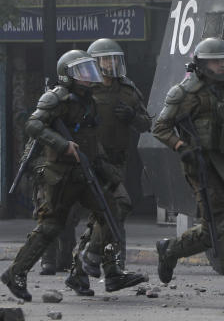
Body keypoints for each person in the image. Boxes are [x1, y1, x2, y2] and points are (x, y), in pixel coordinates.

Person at [1, 51, 147, 302]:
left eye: (89, 71)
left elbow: (90, 138)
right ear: (67, 75)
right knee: (51, 226)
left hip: (85, 170)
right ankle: (15, 272)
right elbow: (34, 125)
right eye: (82, 72)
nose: (89, 77)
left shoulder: (87, 99)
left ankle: (103, 269)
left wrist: (105, 170)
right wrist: (62, 144)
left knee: (112, 210)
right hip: (60, 174)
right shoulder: (57, 98)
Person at [152, 38, 224, 308]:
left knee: (214, 228)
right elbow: (161, 127)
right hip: (201, 164)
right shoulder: (185, 93)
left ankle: (169, 250)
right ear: (202, 65)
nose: (222, 66)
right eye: (216, 62)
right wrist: (182, 147)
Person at [75, 39, 151, 283]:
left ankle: (89, 268)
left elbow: (146, 122)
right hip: (93, 161)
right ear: (94, 63)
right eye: (105, 59)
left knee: (108, 215)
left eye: (113, 59)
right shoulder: (87, 90)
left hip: (118, 161)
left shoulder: (127, 90)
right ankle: (107, 267)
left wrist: (132, 117)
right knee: (116, 208)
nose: (110, 64)